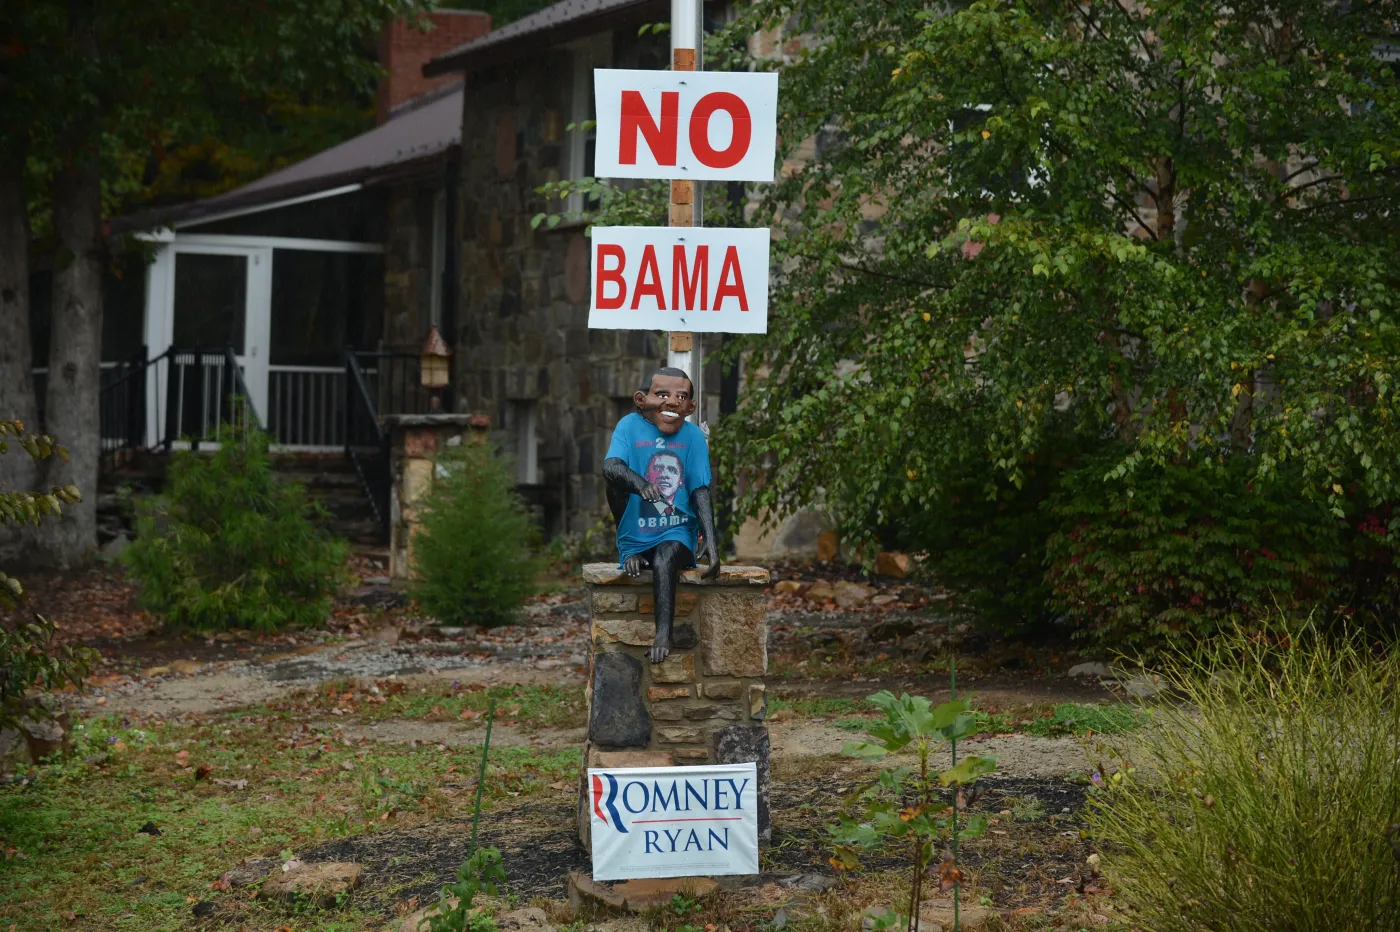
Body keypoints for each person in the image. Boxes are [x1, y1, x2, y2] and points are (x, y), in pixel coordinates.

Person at [603, 367, 721, 662]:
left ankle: (663, 635)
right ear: (641, 400)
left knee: (665, 556)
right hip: (637, 527)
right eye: (663, 394)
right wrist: (641, 484)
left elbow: (700, 490)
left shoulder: (693, 436)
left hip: (677, 530)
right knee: (615, 480)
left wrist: (712, 542)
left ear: (691, 407)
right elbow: (611, 467)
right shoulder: (628, 426)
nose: (672, 402)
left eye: (681, 397)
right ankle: (631, 549)